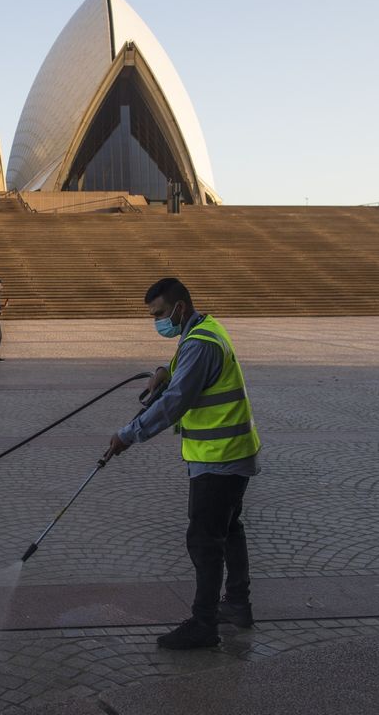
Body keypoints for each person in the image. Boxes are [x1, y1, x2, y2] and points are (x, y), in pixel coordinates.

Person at [104, 277, 261, 650]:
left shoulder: (200, 343)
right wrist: (164, 369)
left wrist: (128, 435)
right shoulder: (203, 329)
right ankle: (237, 604)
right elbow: (181, 371)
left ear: (179, 308)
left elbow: (175, 402)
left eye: (159, 314)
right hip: (231, 453)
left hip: (219, 458)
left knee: (204, 541)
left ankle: (204, 624)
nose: (157, 322)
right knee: (229, 529)